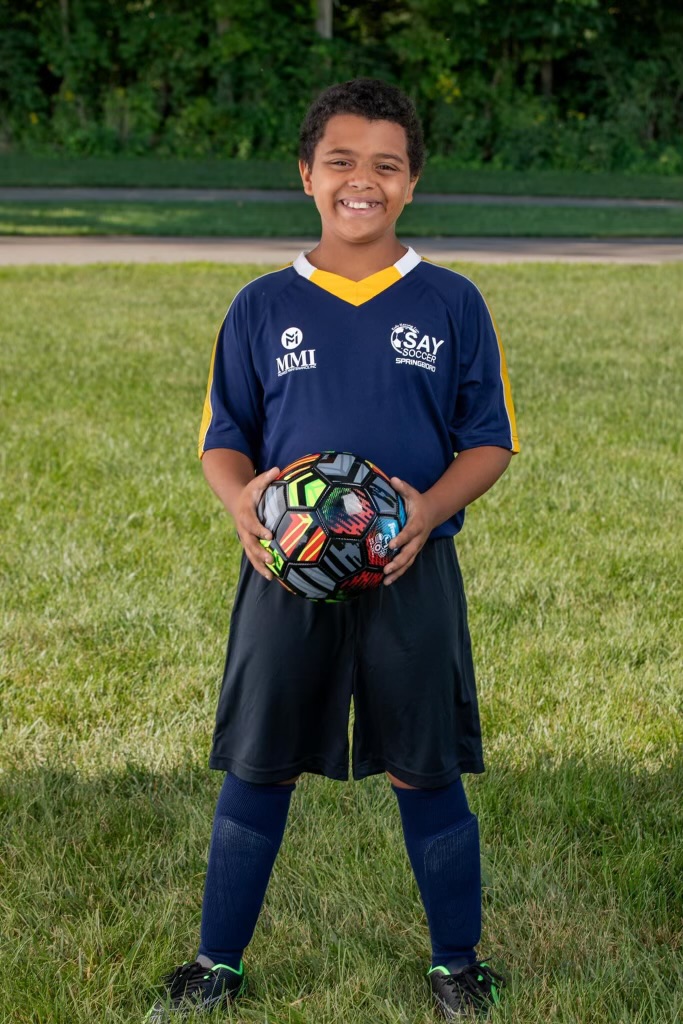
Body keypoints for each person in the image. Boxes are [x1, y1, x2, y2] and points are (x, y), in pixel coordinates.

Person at [149, 77, 518, 1021]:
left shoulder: (450, 303)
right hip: (286, 574)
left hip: (410, 568)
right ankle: (216, 963)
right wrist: (243, 507)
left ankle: (455, 964)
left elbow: (489, 440)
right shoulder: (262, 307)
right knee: (257, 763)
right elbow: (223, 435)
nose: (364, 180)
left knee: (422, 764)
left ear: (413, 182)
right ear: (306, 175)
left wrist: (427, 510)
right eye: (342, 162)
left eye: (385, 165)